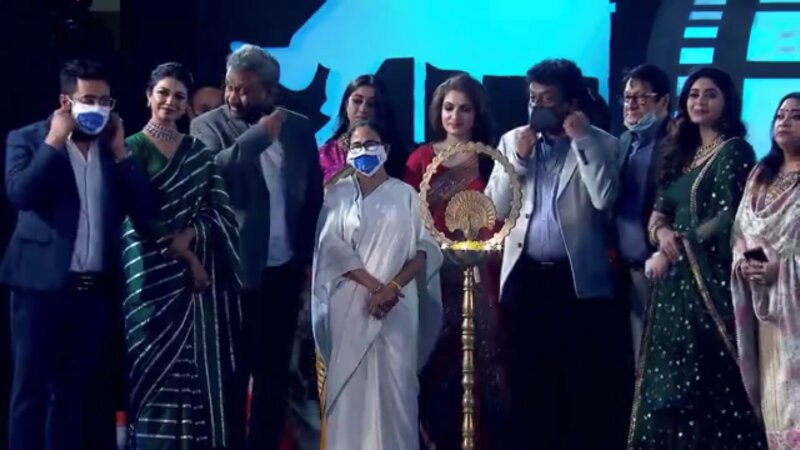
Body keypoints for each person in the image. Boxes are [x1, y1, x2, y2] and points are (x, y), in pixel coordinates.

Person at [1, 59, 155, 450]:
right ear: (65, 101)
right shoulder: (28, 139)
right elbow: (22, 194)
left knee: (70, 394)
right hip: (39, 289)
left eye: (105, 101)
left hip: (91, 293)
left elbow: (145, 211)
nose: (98, 109)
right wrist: (54, 142)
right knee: (30, 393)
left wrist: (121, 153)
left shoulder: (110, 146)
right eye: (89, 99)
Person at [485, 59, 631, 450]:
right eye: (532, 97)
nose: (537, 106)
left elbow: (604, 198)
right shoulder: (512, 140)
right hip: (527, 277)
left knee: (577, 383)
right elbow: (494, 208)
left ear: (570, 102)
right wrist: (518, 161)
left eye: (547, 98)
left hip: (576, 281)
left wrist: (582, 141)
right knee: (527, 379)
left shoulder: (603, 142)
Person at [190, 44, 324, 450]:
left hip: (284, 271)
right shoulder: (207, 126)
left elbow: (312, 196)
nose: (233, 97)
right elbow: (213, 174)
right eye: (230, 86)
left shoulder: (299, 129)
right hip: (235, 273)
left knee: (274, 375)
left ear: (270, 91)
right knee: (234, 376)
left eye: (245, 90)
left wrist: (306, 259)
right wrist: (257, 137)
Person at [630, 66, 767, 449]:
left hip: (709, 285)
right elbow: (659, 213)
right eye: (693, 94)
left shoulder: (734, 151)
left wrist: (675, 247)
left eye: (710, 94)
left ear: (726, 102)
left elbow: (728, 217)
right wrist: (662, 235)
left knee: (707, 381)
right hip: (673, 289)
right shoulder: (681, 153)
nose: (700, 101)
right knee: (669, 383)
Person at [121, 62, 243, 449]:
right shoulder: (129, 150)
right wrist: (186, 257)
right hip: (147, 277)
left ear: (187, 105)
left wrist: (191, 236)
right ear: (148, 96)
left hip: (193, 286)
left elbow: (220, 212)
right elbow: (133, 215)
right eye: (163, 93)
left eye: (178, 96)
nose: (169, 102)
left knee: (194, 371)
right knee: (150, 370)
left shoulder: (199, 153)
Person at [312, 119, 443, 450]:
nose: (363, 151)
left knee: (397, 393)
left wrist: (392, 289)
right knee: (351, 396)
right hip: (350, 308)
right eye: (356, 146)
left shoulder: (407, 195)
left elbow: (424, 249)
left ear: (385, 149)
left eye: (370, 144)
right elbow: (331, 249)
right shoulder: (338, 196)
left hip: (397, 308)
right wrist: (375, 288)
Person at [403, 73, 508, 450]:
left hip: (479, 273)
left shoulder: (491, 160)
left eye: (464, 109)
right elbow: (409, 218)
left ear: (477, 113)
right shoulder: (420, 160)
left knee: (482, 359)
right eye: (449, 108)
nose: (455, 116)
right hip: (432, 273)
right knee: (433, 358)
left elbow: (502, 215)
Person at [733, 92, 800, 449]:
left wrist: (783, 269)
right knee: (776, 406)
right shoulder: (761, 174)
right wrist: (745, 261)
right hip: (768, 310)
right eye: (780, 115)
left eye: (796, 116)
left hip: (796, 309)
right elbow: (741, 231)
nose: (785, 122)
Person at [614, 64, 671, 365]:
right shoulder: (624, 141)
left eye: (641, 97)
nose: (632, 105)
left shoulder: (676, 143)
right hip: (623, 270)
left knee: (656, 359)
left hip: (660, 269)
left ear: (663, 101)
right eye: (627, 98)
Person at [318, 74, 405, 185]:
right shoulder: (326, 154)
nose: (363, 109)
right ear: (346, 104)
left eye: (371, 104)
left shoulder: (394, 153)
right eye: (357, 101)